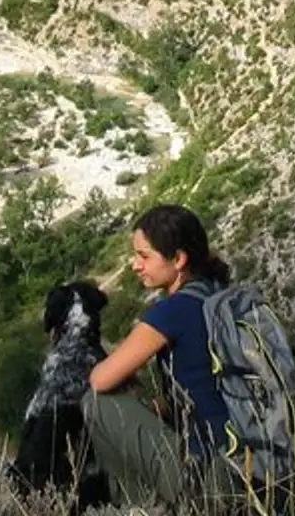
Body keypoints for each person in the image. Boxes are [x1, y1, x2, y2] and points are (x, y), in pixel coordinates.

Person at [83, 204, 240, 510]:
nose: (135, 265)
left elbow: (100, 380)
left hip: (207, 480)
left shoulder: (173, 311)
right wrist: (156, 407)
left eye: (144, 256)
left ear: (178, 259)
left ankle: (140, 507)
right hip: (248, 467)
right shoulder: (220, 296)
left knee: (96, 403)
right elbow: (206, 385)